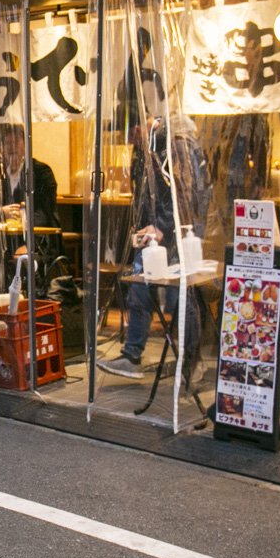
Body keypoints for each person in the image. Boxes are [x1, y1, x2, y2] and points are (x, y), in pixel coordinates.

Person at [98, 114, 210, 379]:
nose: (130, 138)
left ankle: (189, 361)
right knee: (141, 287)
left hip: (177, 234)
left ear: (144, 122)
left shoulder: (176, 144)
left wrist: (161, 225)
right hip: (157, 232)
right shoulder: (150, 146)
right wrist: (144, 225)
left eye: (132, 131)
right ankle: (133, 355)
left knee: (179, 297)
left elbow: (185, 194)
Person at [0, 124, 60, 230]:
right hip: (7, 236)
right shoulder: (0, 176)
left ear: (25, 145)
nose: (12, 146)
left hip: (39, 237)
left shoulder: (41, 171)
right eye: (7, 143)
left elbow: (46, 214)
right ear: (1, 148)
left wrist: (22, 217)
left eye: (16, 141)